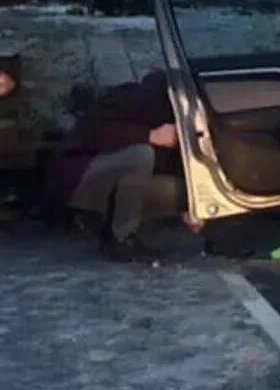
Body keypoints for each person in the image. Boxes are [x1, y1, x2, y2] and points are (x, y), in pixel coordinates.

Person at [44, 70, 200, 263]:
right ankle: (120, 238)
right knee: (140, 154)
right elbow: (91, 130)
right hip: (80, 175)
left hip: (121, 182)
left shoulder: (186, 115)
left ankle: (107, 221)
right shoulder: (135, 97)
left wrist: (196, 206)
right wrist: (149, 135)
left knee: (181, 190)